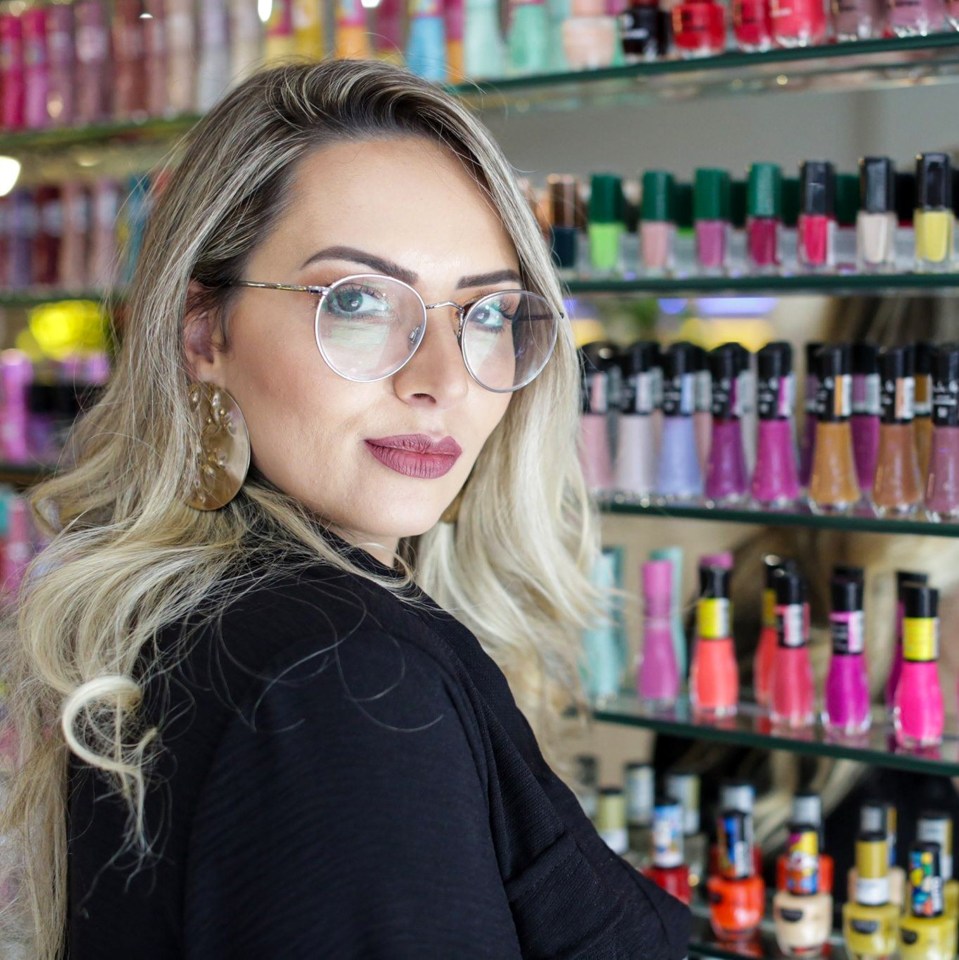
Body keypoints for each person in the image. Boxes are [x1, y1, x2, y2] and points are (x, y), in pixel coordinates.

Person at [0, 60, 691, 959]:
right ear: (203, 331)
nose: (441, 380)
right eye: (357, 301)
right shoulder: (344, 678)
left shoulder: (215, 611)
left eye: (484, 312)